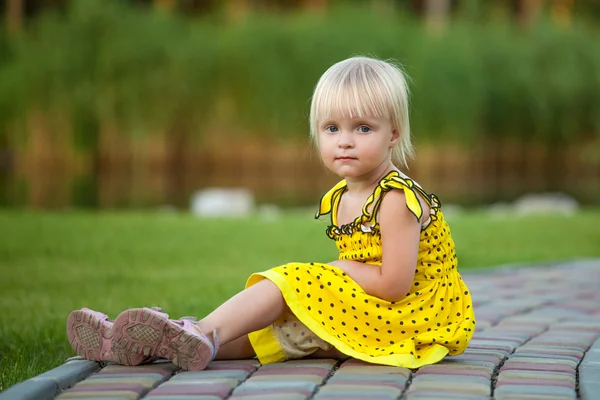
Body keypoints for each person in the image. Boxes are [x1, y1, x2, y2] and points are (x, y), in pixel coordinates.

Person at [67, 56, 475, 371]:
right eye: (332, 129)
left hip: (410, 319)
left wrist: (337, 269)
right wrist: (339, 274)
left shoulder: (395, 198)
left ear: (394, 134)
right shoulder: (344, 196)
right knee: (266, 333)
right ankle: (153, 343)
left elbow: (394, 284)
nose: (345, 142)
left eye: (362, 128)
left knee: (290, 282)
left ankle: (198, 331)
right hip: (372, 309)